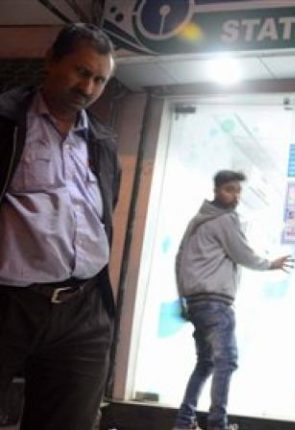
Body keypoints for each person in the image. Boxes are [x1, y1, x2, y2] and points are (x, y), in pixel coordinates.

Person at [0, 23, 119, 430]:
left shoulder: (102, 141)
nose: (88, 87)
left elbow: (104, 213)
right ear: (51, 60)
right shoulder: (7, 121)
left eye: (100, 79)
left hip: (82, 309)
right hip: (11, 304)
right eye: (81, 72)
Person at [173, 170, 295, 430]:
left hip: (196, 303)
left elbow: (179, 258)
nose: (236, 196)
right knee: (226, 361)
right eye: (230, 189)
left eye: (238, 190)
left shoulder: (197, 220)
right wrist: (270, 264)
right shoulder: (226, 220)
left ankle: (184, 422)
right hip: (216, 303)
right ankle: (217, 424)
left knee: (205, 362)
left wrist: (183, 297)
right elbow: (243, 253)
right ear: (216, 190)